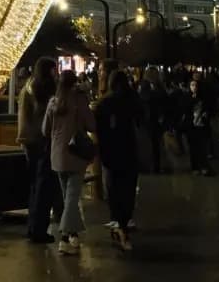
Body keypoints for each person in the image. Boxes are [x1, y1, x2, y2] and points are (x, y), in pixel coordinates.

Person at [43, 68, 96, 255]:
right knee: (72, 198)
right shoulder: (79, 101)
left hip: (57, 155)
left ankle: (73, 234)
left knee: (68, 198)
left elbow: (44, 129)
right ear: (75, 83)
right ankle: (64, 238)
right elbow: (92, 125)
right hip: (76, 153)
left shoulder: (53, 103)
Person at [94, 70, 144, 250]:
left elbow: (97, 126)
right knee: (128, 187)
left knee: (113, 187)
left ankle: (117, 220)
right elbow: (140, 120)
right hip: (129, 149)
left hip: (110, 150)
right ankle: (124, 220)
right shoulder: (133, 100)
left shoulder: (105, 103)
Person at [18, 57, 59, 243]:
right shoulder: (43, 89)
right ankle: (39, 229)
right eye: (54, 70)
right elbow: (47, 114)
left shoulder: (29, 85)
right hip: (42, 140)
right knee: (44, 185)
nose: (56, 73)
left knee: (35, 184)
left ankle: (33, 226)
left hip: (28, 139)